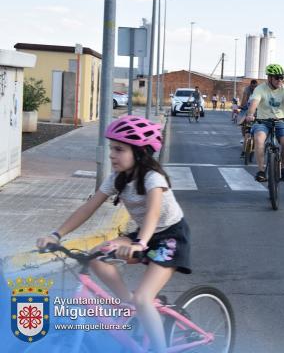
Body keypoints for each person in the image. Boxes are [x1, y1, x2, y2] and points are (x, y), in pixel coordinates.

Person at [36, 115, 191, 353]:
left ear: (140, 152)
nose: (111, 154)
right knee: (95, 256)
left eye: (119, 149)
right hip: (143, 236)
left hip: (169, 237)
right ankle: (129, 303)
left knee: (143, 297)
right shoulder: (118, 178)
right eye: (111, 148)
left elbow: (152, 213)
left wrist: (140, 243)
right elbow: (89, 206)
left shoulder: (153, 178)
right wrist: (56, 234)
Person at [245, 64, 284, 183]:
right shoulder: (260, 89)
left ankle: (283, 168)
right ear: (269, 78)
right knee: (259, 140)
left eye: (281, 77)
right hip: (263, 121)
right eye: (277, 77)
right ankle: (261, 171)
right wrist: (250, 114)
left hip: (281, 121)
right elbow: (254, 103)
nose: (280, 80)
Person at [239, 80, 258, 157]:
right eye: (253, 86)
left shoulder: (259, 91)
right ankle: (244, 138)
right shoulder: (247, 90)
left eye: (255, 86)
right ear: (250, 85)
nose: (254, 88)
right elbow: (244, 99)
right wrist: (242, 106)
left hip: (257, 112)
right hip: (247, 110)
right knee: (242, 122)